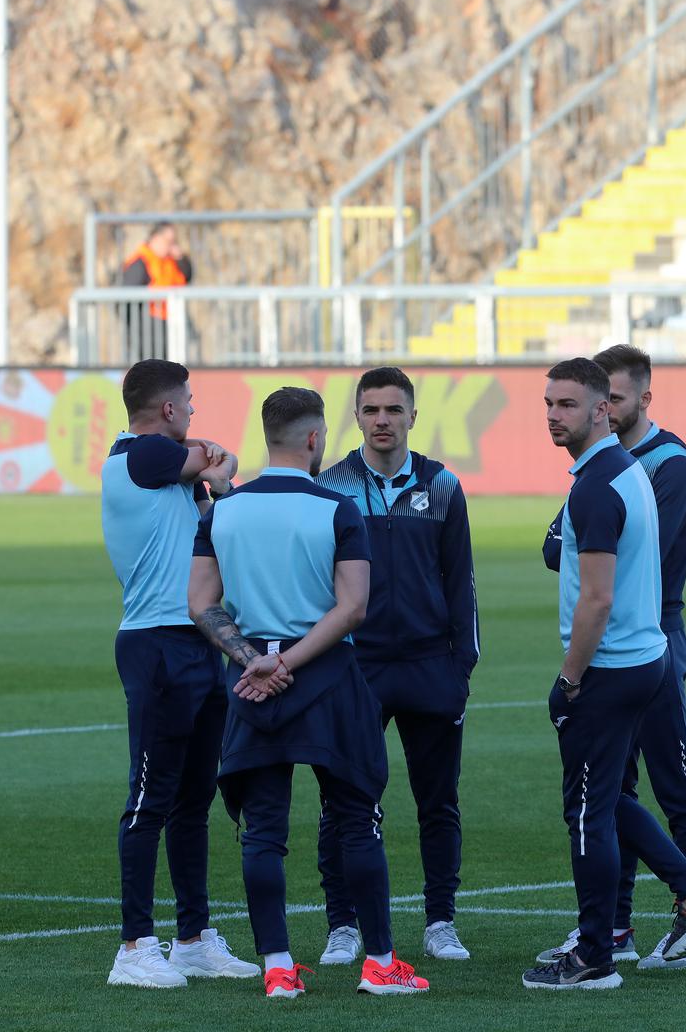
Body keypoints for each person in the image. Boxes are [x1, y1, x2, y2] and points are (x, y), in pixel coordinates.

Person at [188, 386, 429, 999]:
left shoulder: (223, 511)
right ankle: (379, 963)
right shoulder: (335, 509)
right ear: (317, 438)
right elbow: (353, 609)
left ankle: (277, 969)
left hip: (252, 680)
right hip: (324, 675)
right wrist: (286, 661)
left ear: (267, 437)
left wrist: (255, 660)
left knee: (263, 829)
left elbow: (201, 603)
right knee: (357, 822)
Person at [523, 358, 686, 991]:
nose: (554, 416)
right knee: (610, 796)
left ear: (601, 410)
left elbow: (596, 599)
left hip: (612, 668)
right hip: (647, 658)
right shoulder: (624, 470)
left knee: (589, 812)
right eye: (548, 404)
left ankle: (594, 957)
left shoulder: (597, 485)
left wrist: (568, 680)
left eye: (568, 405)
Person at [100, 359, 258, 989]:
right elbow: (218, 461)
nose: (194, 410)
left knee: (194, 800)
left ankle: (193, 938)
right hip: (157, 644)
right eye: (188, 402)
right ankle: (134, 946)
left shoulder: (165, 467)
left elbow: (222, 467)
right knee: (150, 799)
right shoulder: (135, 458)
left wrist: (213, 469)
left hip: (198, 642)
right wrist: (211, 465)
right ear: (166, 410)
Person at [313, 367, 479, 964]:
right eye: (371, 410)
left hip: (431, 666)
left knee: (439, 801)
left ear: (413, 415)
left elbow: (461, 581)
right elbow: (315, 584)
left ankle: (440, 921)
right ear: (356, 417)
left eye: (393, 410)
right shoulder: (330, 488)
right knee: (347, 802)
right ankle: (343, 924)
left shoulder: (442, 487)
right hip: (356, 668)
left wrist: (463, 665)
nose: (382, 420)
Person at [121, 223, 193, 359]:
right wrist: (138, 329)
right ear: (155, 239)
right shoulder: (140, 262)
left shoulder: (171, 260)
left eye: (173, 242)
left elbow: (187, 275)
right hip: (148, 330)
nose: (171, 246)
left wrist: (181, 257)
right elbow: (126, 302)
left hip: (170, 324)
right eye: (168, 241)